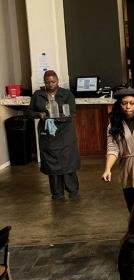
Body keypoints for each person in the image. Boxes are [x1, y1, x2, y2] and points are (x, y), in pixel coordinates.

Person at [25, 70, 80, 200]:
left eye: (53, 82)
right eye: (47, 82)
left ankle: (73, 190)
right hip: (47, 134)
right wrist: (39, 114)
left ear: (57, 81)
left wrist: (58, 117)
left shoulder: (66, 94)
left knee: (67, 162)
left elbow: (72, 112)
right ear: (44, 82)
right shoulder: (38, 95)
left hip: (65, 133)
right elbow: (29, 112)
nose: (50, 84)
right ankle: (57, 193)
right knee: (51, 164)